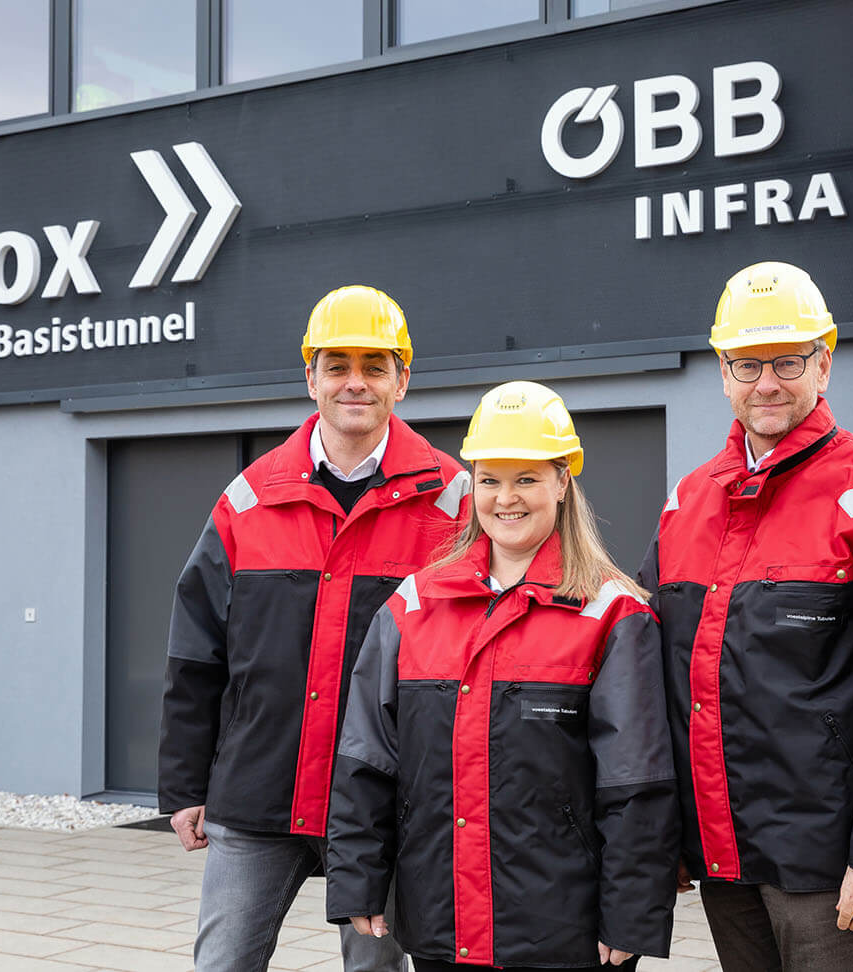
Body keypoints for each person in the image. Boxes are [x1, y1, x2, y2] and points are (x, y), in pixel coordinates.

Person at [639, 262, 853, 971]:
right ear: (723, 371)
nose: (767, 382)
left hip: (833, 866)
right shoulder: (687, 505)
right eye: (747, 363)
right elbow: (654, 680)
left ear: (824, 364)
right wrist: (668, 833)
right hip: (724, 854)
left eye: (788, 361)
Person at [158, 284, 470, 972]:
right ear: (310, 377)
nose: (354, 382)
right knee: (222, 963)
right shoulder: (250, 497)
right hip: (255, 790)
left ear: (403, 379)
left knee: (374, 969)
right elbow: (196, 651)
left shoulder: (454, 501)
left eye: (374, 364)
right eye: (337, 365)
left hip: (385, 802)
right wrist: (185, 784)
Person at [325, 380, 679, 971]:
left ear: (563, 482)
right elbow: (366, 758)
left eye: (526, 478)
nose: (505, 498)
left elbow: (635, 786)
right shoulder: (414, 605)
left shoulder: (612, 613)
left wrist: (633, 913)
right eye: (489, 479)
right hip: (442, 919)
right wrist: (356, 878)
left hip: (565, 931)